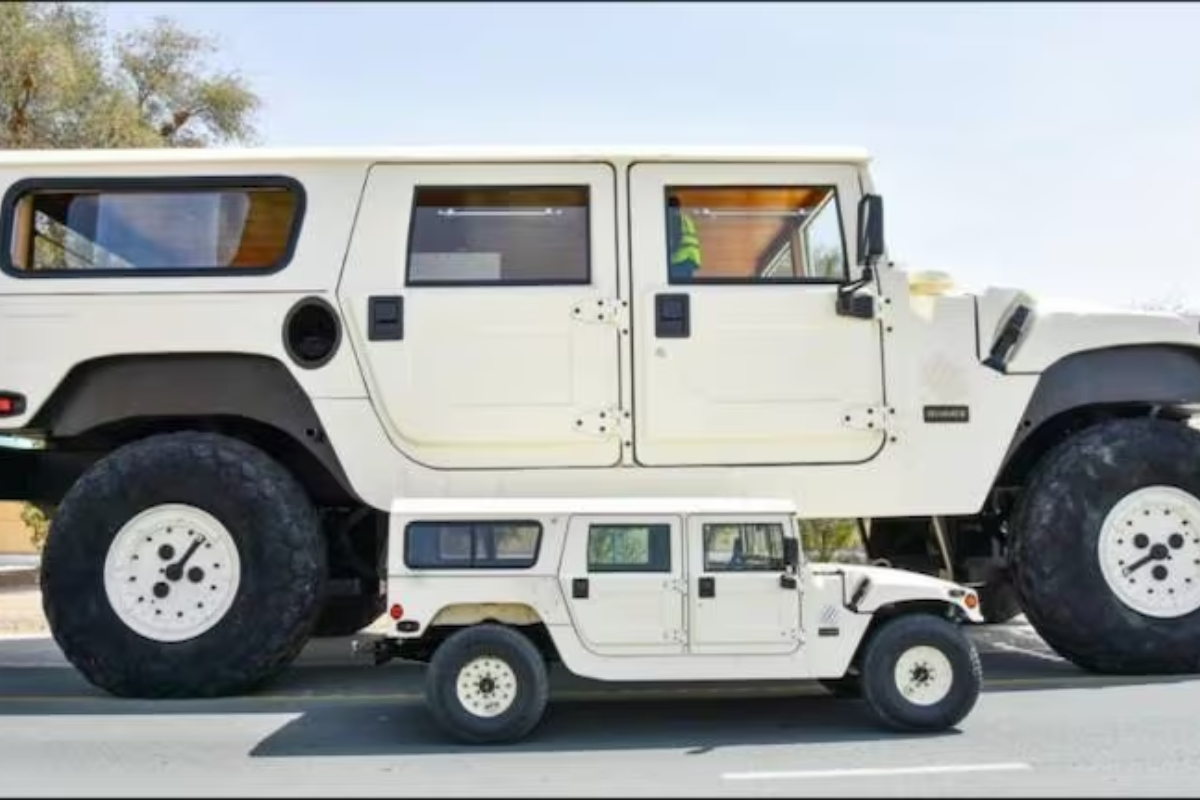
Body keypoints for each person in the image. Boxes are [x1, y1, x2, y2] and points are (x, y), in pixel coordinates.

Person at [666, 196, 701, 281]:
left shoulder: (674, 217)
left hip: (681, 259)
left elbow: (676, 238)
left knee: (676, 290)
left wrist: (668, 253)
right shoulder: (687, 219)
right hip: (691, 258)